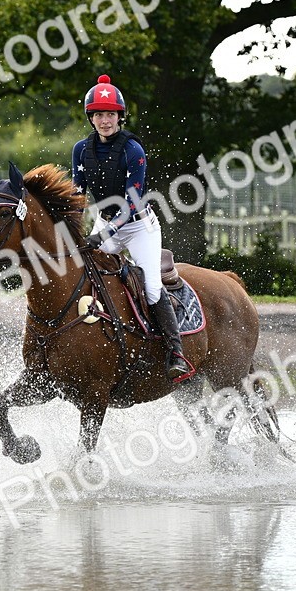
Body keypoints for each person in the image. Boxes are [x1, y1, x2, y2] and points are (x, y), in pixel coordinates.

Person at [72, 74, 190, 379]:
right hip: (104, 222)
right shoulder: (81, 151)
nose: (105, 120)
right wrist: (69, 229)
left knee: (151, 286)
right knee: (86, 275)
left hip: (139, 227)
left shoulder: (132, 150)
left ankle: (175, 350)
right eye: (98, 114)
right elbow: (78, 193)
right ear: (91, 118)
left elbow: (133, 201)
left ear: (119, 117)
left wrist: (105, 233)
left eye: (110, 114)